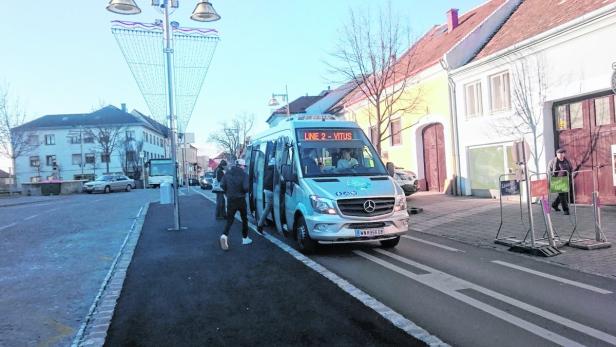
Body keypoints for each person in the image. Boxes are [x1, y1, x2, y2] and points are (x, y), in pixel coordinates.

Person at [219, 159, 251, 250]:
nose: (244, 168)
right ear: (241, 166)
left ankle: (224, 235)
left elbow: (222, 185)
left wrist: (228, 193)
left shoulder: (227, 173)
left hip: (230, 200)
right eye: (244, 166)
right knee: (244, 219)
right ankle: (245, 238)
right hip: (240, 200)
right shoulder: (244, 175)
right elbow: (246, 188)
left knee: (230, 220)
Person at [549, 148, 573, 215]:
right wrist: (552, 179)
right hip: (557, 180)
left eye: (563, 153)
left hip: (566, 179)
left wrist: (571, 176)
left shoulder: (567, 161)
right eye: (560, 154)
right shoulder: (553, 162)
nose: (562, 155)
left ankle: (554, 204)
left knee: (563, 194)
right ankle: (566, 210)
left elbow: (571, 168)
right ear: (557, 154)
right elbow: (549, 171)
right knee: (562, 195)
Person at [256, 157, 276, 235]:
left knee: (269, 207)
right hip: (271, 190)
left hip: (266, 189)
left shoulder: (267, 169)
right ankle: (260, 225)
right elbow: (280, 180)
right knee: (268, 207)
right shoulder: (275, 170)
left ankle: (268, 221)